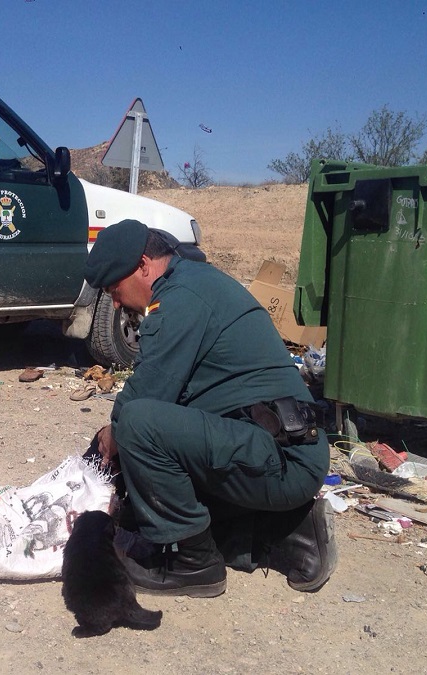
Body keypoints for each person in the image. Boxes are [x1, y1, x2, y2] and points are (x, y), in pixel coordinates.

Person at [84, 219, 336, 598]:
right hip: (279, 448)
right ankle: (294, 534)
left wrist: (110, 436)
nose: (116, 303)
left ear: (142, 266)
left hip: (281, 458)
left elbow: (145, 397)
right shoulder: (196, 282)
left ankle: (194, 565)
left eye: (115, 290)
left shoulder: (178, 300)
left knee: (135, 424)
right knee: (146, 508)